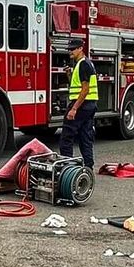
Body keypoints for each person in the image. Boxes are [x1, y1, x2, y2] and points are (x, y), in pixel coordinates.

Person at [60, 39, 98, 169]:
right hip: (89, 105)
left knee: (66, 137)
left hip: (82, 105)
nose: (70, 51)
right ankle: (88, 167)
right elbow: (77, 86)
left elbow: (85, 89)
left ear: (81, 48)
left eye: (73, 49)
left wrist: (74, 108)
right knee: (85, 137)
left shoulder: (83, 64)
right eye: (69, 49)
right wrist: (69, 75)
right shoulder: (84, 64)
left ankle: (67, 168)